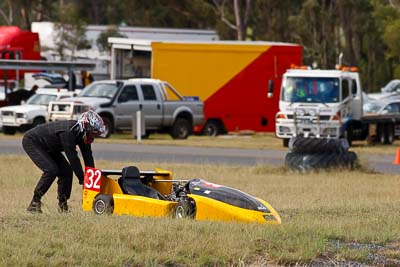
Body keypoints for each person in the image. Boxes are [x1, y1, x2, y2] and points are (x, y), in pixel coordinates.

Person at [22, 110, 106, 213]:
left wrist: (91, 179)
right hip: (32, 141)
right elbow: (73, 158)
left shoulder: (83, 134)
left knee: (66, 172)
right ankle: (35, 202)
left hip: (49, 146)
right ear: (86, 127)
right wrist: (82, 179)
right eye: (94, 133)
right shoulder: (68, 132)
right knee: (51, 170)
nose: (94, 136)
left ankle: (63, 205)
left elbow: (88, 156)